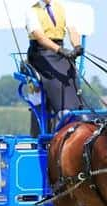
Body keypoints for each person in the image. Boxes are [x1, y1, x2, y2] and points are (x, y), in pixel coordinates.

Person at [25, 0, 84, 132]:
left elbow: (72, 30)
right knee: (56, 80)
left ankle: (76, 112)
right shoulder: (32, 11)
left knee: (70, 74)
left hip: (59, 52)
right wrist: (61, 51)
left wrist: (77, 46)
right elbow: (40, 38)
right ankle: (63, 112)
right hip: (41, 53)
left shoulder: (61, 8)